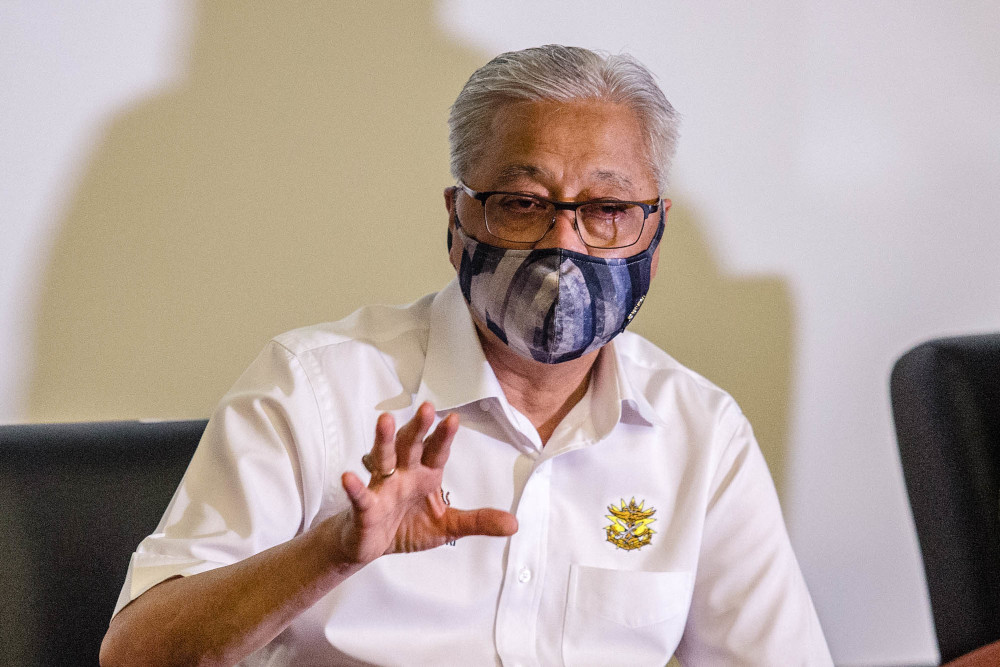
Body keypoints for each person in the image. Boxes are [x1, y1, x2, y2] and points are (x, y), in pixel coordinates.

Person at [100, 45, 832, 666]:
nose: (564, 245)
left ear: (654, 233)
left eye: (606, 211)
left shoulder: (699, 429)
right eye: (523, 203)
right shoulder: (314, 387)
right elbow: (135, 651)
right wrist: (333, 550)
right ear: (457, 220)